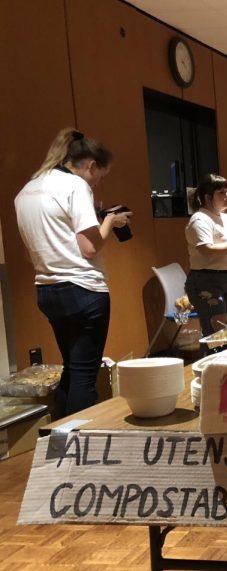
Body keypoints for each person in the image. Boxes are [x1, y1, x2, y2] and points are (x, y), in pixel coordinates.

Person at [14, 127, 132, 416]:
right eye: (99, 177)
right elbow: (89, 248)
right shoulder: (76, 186)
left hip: (47, 290)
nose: (97, 184)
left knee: (72, 368)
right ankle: (79, 448)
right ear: (90, 166)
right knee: (84, 376)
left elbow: (34, 249)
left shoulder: (27, 190)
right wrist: (111, 221)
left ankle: (58, 442)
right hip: (83, 291)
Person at [184, 173, 227, 343]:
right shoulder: (200, 219)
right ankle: (210, 366)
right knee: (216, 334)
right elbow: (207, 250)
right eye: (221, 192)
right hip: (207, 279)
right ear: (208, 197)